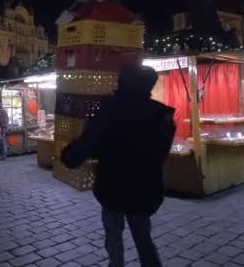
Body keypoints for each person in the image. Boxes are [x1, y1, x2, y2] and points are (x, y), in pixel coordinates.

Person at [61, 64, 175, 267]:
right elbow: (160, 152)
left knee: (113, 236)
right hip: (145, 188)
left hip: (113, 186)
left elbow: (92, 141)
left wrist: (69, 156)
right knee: (143, 237)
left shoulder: (111, 111)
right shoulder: (160, 114)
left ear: (123, 82)